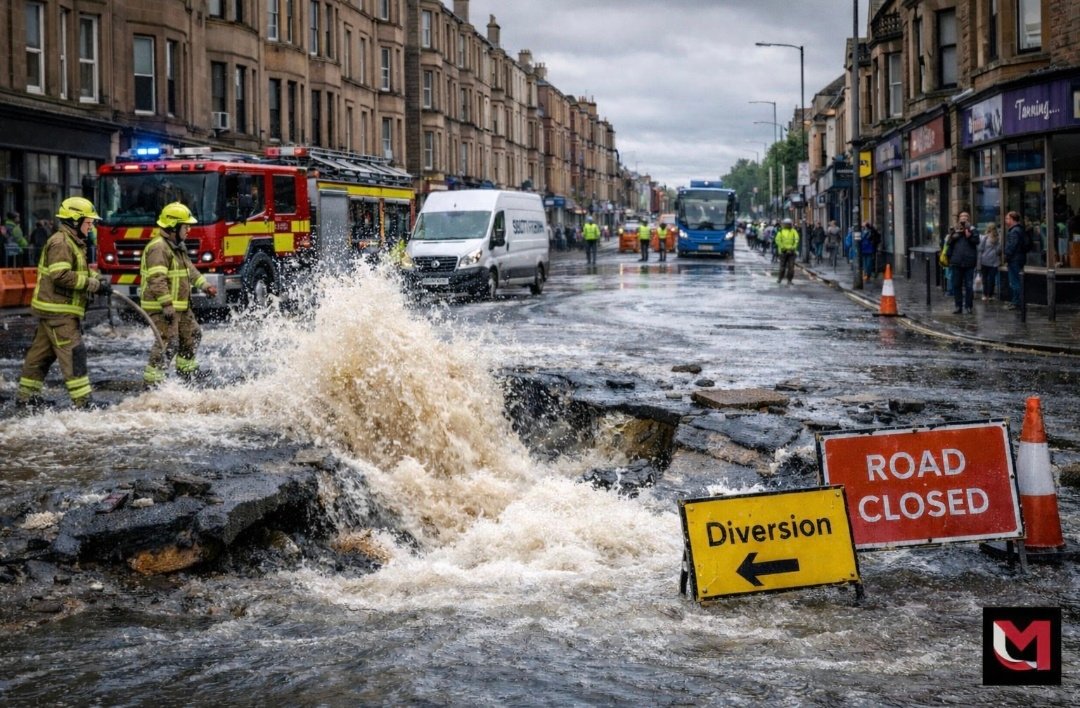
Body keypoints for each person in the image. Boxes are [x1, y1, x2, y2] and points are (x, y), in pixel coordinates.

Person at [16, 197, 110, 411]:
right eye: (88, 222)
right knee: (74, 353)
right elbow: (60, 275)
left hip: (54, 310)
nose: (91, 226)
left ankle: (25, 398)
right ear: (75, 221)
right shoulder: (61, 242)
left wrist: (96, 277)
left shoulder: (71, 241)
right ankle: (84, 403)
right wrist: (93, 285)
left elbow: (77, 269)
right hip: (59, 312)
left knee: (39, 356)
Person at [140, 202, 218, 385]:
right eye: (186, 226)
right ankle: (152, 384)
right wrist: (167, 304)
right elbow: (157, 279)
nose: (189, 230)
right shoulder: (159, 248)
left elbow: (189, 270)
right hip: (163, 307)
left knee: (193, 334)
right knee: (168, 342)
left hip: (180, 306)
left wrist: (205, 286)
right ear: (173, 227)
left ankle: (187, 374)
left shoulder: (177, 246)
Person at [947, 210, 980, 314]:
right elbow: (949, 243)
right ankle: (958, 306)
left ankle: (969, 306)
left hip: (969, 262)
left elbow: (976, 241)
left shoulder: (973, 229)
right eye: (962, 216)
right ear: (959, 218)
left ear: (969, 218)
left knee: (969, 286)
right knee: (956, 285)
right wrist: (954, 235)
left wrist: (969, 235)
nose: (964, 218)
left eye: (966, 216)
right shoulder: (954, 229)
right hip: (956, 261)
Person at [1003, 210, 1025, 310]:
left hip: (1014, 259)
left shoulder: (1015, 231)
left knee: (1015, 282)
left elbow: (1012, 245)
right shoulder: (1018, 230)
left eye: (1007, 218)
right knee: (1015, 281)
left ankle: (1017, 302)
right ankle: (1016, 301)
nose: (1005, 220)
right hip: (1017, 258)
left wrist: (1007, 254)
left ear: (1012, 219)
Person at [978, 222, 1001, 301]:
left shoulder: (986, 237)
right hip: (992, 261)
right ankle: (989, 295)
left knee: (987, 279)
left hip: (986, 261)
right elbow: (998, 251)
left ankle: (986, 294)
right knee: (990, 279)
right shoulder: (996, 238)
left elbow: (981, 248)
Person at [775, 217, 800, 284]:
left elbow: (797, 239)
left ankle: (789, 280)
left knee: (791, 268)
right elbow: (777, 240)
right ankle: (780, 279)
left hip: (792, 252)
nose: (788, 225)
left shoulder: (793, 231)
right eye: (786, 224)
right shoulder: (780, 231)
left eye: (789, 224)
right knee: (782, 267)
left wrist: (793, 247)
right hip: (783, 251)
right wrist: (783, 247)